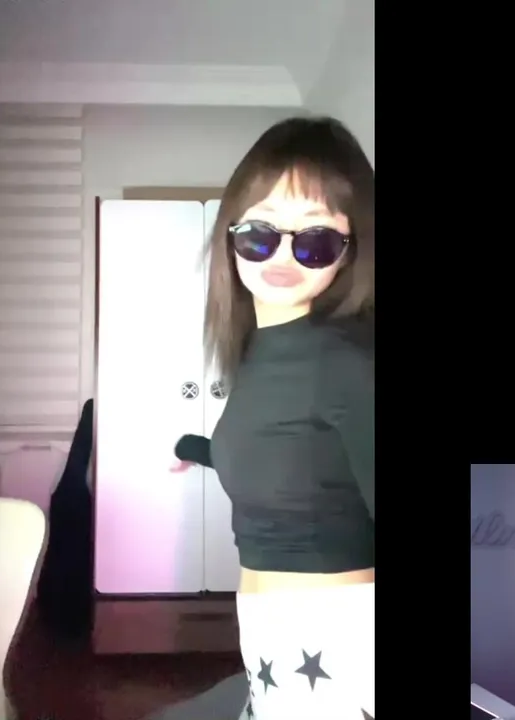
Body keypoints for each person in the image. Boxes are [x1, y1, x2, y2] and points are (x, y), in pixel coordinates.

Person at [169, 116, 374, 720]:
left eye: (315, 240)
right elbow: (289, 446)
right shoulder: (262, 349)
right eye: (261, 234)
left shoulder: (345, 363)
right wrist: (192, 447)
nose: (283, 254)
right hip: (268, 637)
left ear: (350, 252)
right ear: (231, 235)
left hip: (336, 641)